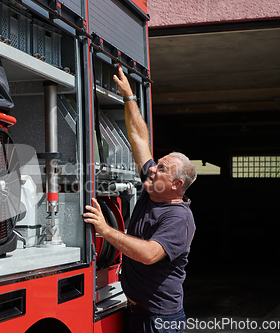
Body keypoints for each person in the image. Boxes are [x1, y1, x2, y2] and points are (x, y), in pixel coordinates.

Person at [83, 65, 197, 333]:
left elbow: (148, 254)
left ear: (176, 184)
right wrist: (129, 97)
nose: (152, 168)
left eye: (162, 168)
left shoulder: (179, 218)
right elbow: (139, 139)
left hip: (160, 320)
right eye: (157, 163)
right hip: (139, 312)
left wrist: (105, 230)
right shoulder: (153, 187)